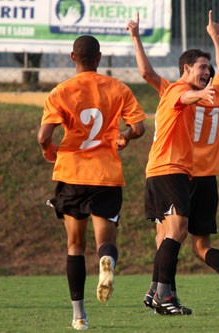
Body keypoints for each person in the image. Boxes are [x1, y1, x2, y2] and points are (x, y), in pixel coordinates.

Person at [127, 10, 219, 315]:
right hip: (184, 172)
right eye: (202, 68)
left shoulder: (192, 89)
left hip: (187, 172)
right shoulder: (186, 90)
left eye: (208, 70)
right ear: (187, 68)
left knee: (175, 235)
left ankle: (160, 293)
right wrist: (216, 39)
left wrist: (135, 38)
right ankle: (162, 293)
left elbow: (149, 76)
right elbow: (215, 74)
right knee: (179, 236)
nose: (208, 73)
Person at [37, 35, 146, 330]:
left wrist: (50, 152)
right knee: (105, 242)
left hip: (72, 173)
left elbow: (44, 137)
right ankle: (106, 262)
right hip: (106, 176)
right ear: (99, 58)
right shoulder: (118, 88)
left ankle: (79, 316)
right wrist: (125, 136)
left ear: (73, 57)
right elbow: (139, 127)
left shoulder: (61, 92)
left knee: (74, 246)